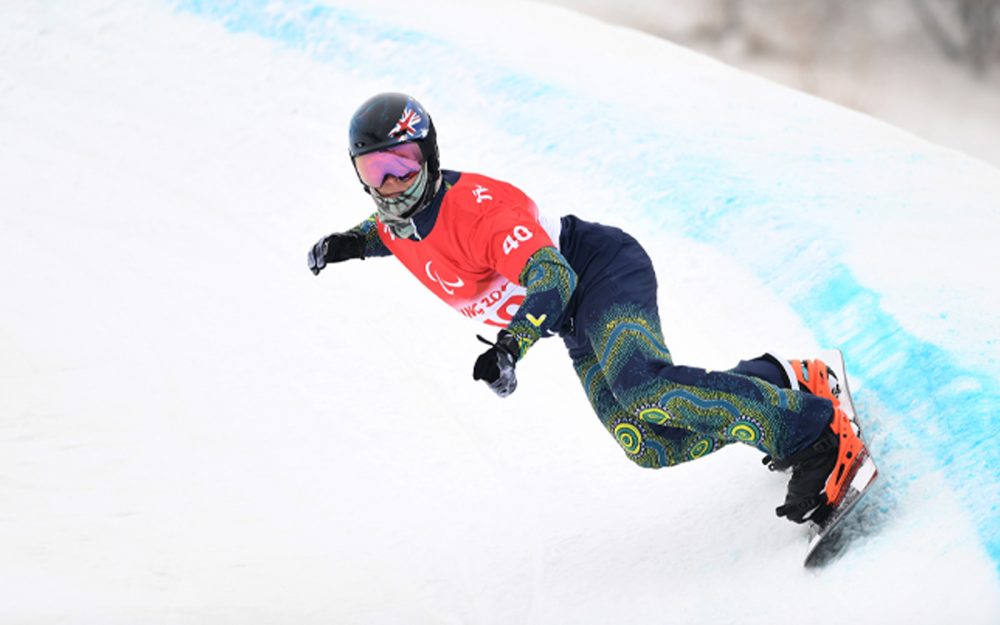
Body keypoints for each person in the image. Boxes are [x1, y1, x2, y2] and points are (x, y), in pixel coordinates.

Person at [308, 92, 868, 525]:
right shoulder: (395, 220)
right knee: (647, 442)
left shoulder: (480, 212)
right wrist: (345, 245)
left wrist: (510, 347)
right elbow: (387, 233)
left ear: (429, 157)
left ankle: (814, 435)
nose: (391, 183)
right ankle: (778, 383)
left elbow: (553, 277)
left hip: (599, 272)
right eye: (374, 170)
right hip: (574, 323)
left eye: (402, 164)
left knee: (644, 387)